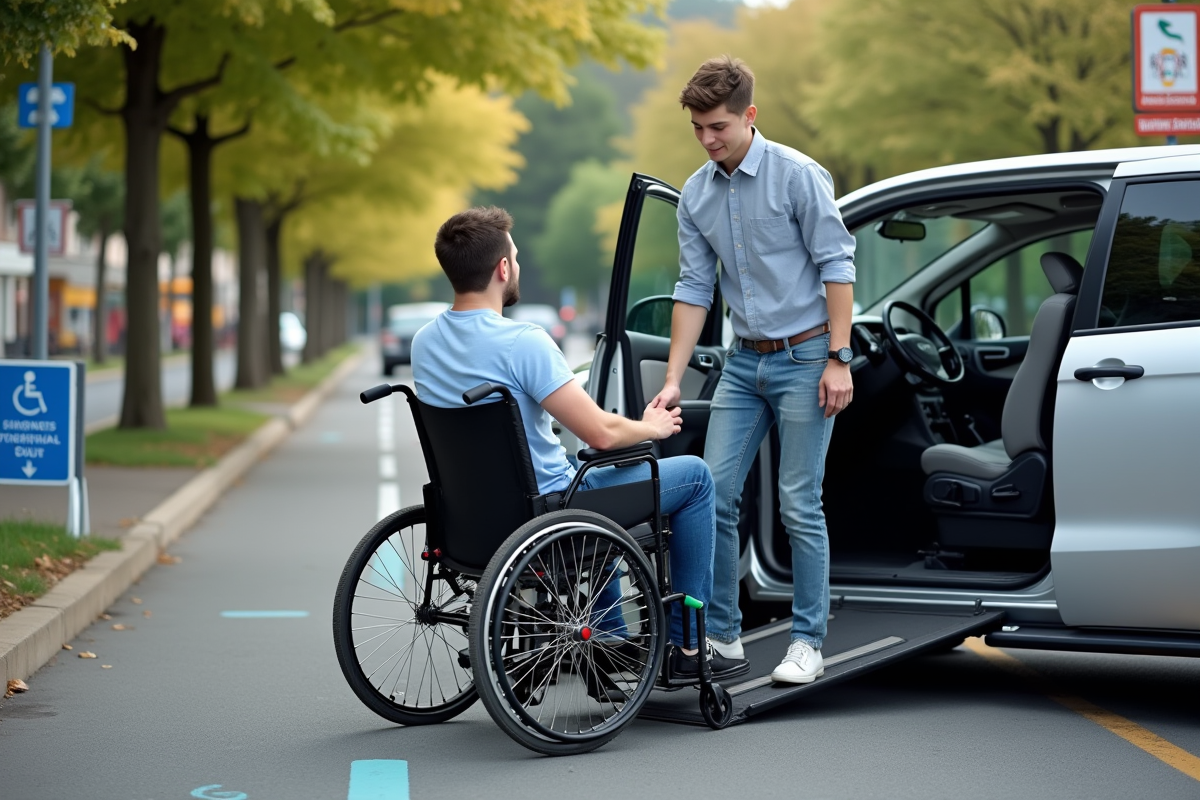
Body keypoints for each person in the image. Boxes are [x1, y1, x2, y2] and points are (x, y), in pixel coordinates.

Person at [411, 206, 750, 685]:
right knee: (693, 477)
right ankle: (689, 644)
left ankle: (609, 637)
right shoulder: (524, 343)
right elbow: (600, 433)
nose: (518, 266)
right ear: (502, 269)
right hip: (546, 513)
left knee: (586, 475)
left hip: (472, 519)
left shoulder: (425, 342)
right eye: (516, 257)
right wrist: (650, 426)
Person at [650, 56, 856, 685]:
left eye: (718, 126)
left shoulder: (797, 176)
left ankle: (807, 641)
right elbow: (693, 287)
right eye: (698, 129)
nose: (708, 139)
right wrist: (672, 379)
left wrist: (838, 358)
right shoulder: (694, 194)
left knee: (799, 503)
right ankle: (722, 635)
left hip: (806, 358)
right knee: (711, 496)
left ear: (749, 116)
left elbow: (837, 266)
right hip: (743, 364)